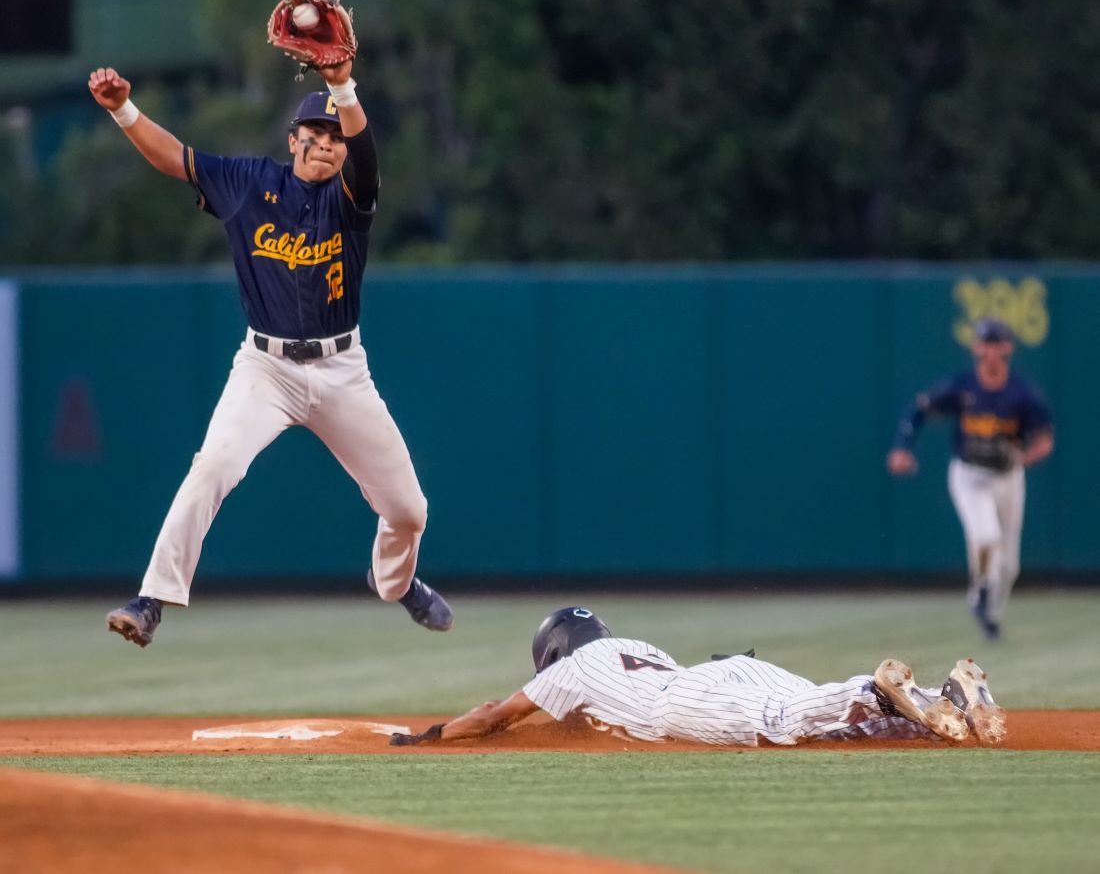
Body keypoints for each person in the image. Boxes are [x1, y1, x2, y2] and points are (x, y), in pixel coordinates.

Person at [87, 57, 453, 647]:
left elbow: (367, 156)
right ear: (294, 139)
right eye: (318, 135)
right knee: (212, 466)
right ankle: (151, 599)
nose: (328, 147)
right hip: (266, 367)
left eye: (337, 138)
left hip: (341, 371)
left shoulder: (351, 200)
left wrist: (342, 85)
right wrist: (123, 110)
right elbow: (174, 159)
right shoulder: (246, 183)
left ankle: (397, 583)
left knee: (409, 511)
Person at [388, 607, 1006, 748]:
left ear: (553, 652)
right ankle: (944, 702)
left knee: (784, 725)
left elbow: (497, 714)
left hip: (681, 699)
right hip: (726, 667)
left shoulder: (572, 669)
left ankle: (874, 688)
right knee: (812, 714)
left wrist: (433, 735)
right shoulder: (629, 644)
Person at [886, 318, 1054, 640]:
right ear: (977, 347)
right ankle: (979, 592)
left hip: (1008, 476)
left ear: (1008, 348)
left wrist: (1023, 457)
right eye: (985, 343)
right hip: (970, 473)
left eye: (996, 343)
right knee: (986, 536)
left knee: (1009, 568)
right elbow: (918, 409)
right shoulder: (962, 387)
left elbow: (1044, 441)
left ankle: (990, 614)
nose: (990, 350)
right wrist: (902, 448)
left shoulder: (1022, 394)